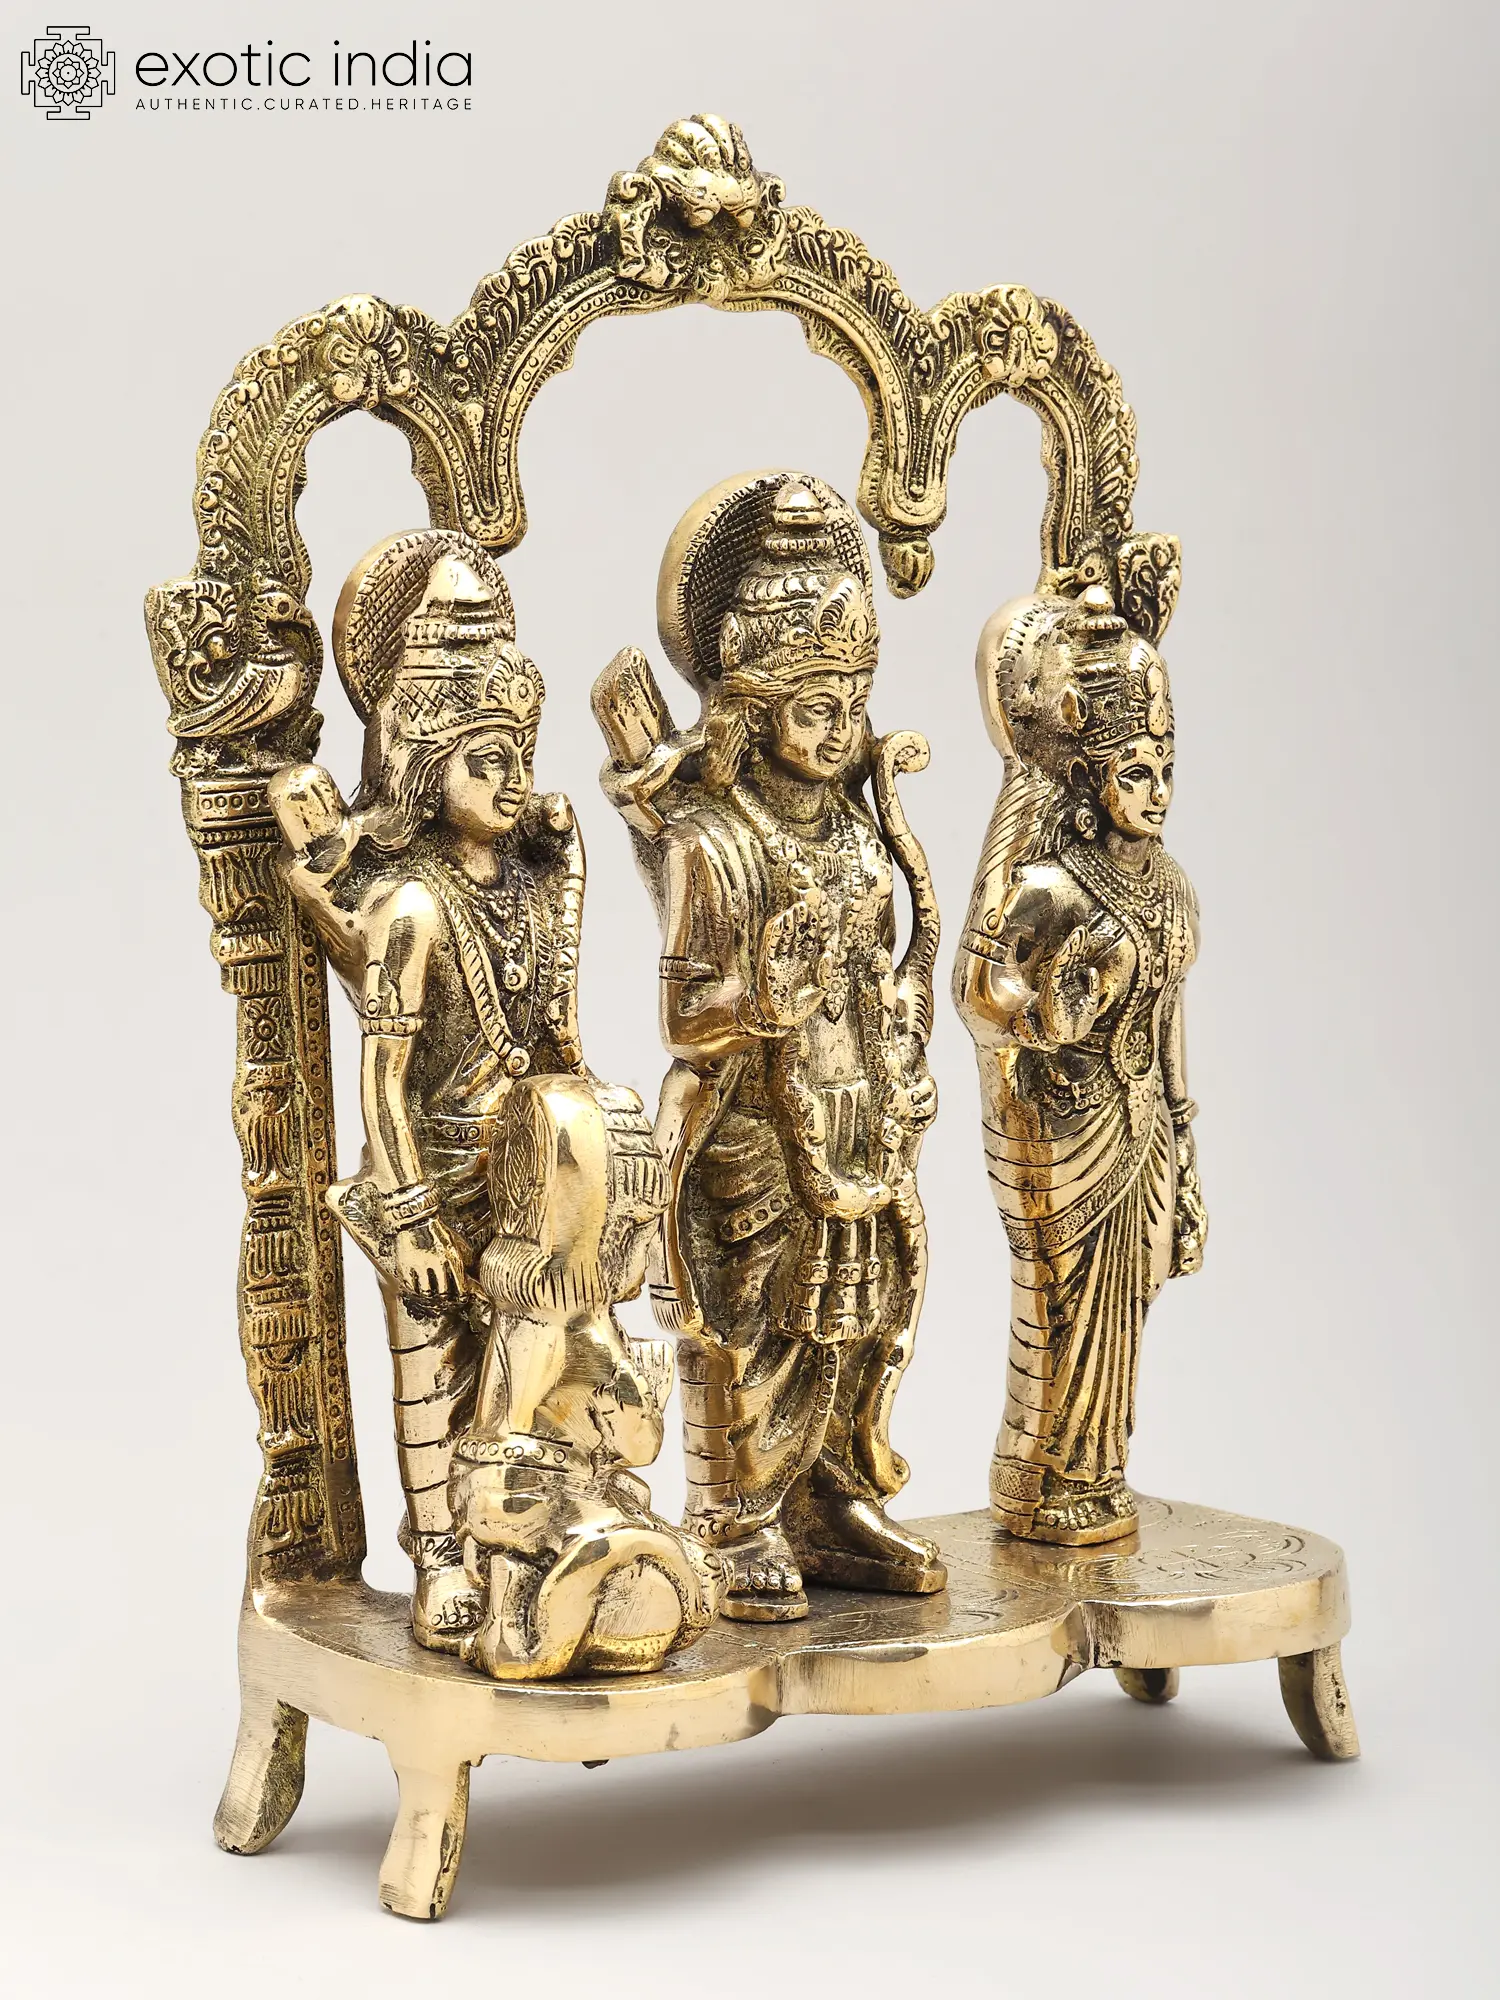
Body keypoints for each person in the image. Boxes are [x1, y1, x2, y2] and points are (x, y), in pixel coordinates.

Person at [594, 472, 947, 1621]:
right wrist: (763, 1001)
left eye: (852, 701)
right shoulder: (714, 838)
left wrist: (896, 1029)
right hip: (752, 1121)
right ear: (750, 704)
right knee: (758, 1319)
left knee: (859, 1311)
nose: (839, 728)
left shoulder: (851, 827)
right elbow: (684, 1017)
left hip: (856, 1115)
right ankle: (738, 1512)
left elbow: (881, 961)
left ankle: (831, 1496)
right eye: (811, 705)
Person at [270, 530, 585, 1648]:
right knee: (434, 1366)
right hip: (434, 1171)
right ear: (423, 764)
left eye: (519, 755)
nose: (511, 783)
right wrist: (407, 1219)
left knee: (534, 1362)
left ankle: (523, 1533)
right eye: (482, 761)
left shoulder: (534, 884)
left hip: (532, 1168)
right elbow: (384, 1077)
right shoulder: (409, 905)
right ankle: (443, 1553)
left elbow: (557, 1033)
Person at [953, 583, 1208, 1545]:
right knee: (1061, 1297)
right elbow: (977, 994)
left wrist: (1187, 1147)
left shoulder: (1172, 888)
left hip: (1144, 1122)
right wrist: (1043, 1019)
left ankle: (1098, 1476)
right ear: (1092, 779)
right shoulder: (1051, 886)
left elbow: (1170, 1019)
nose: (1156, 792)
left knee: (1128, 1295)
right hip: (1062, 1121)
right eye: (1136, 772)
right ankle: (1035, 1479)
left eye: (1166, 771)